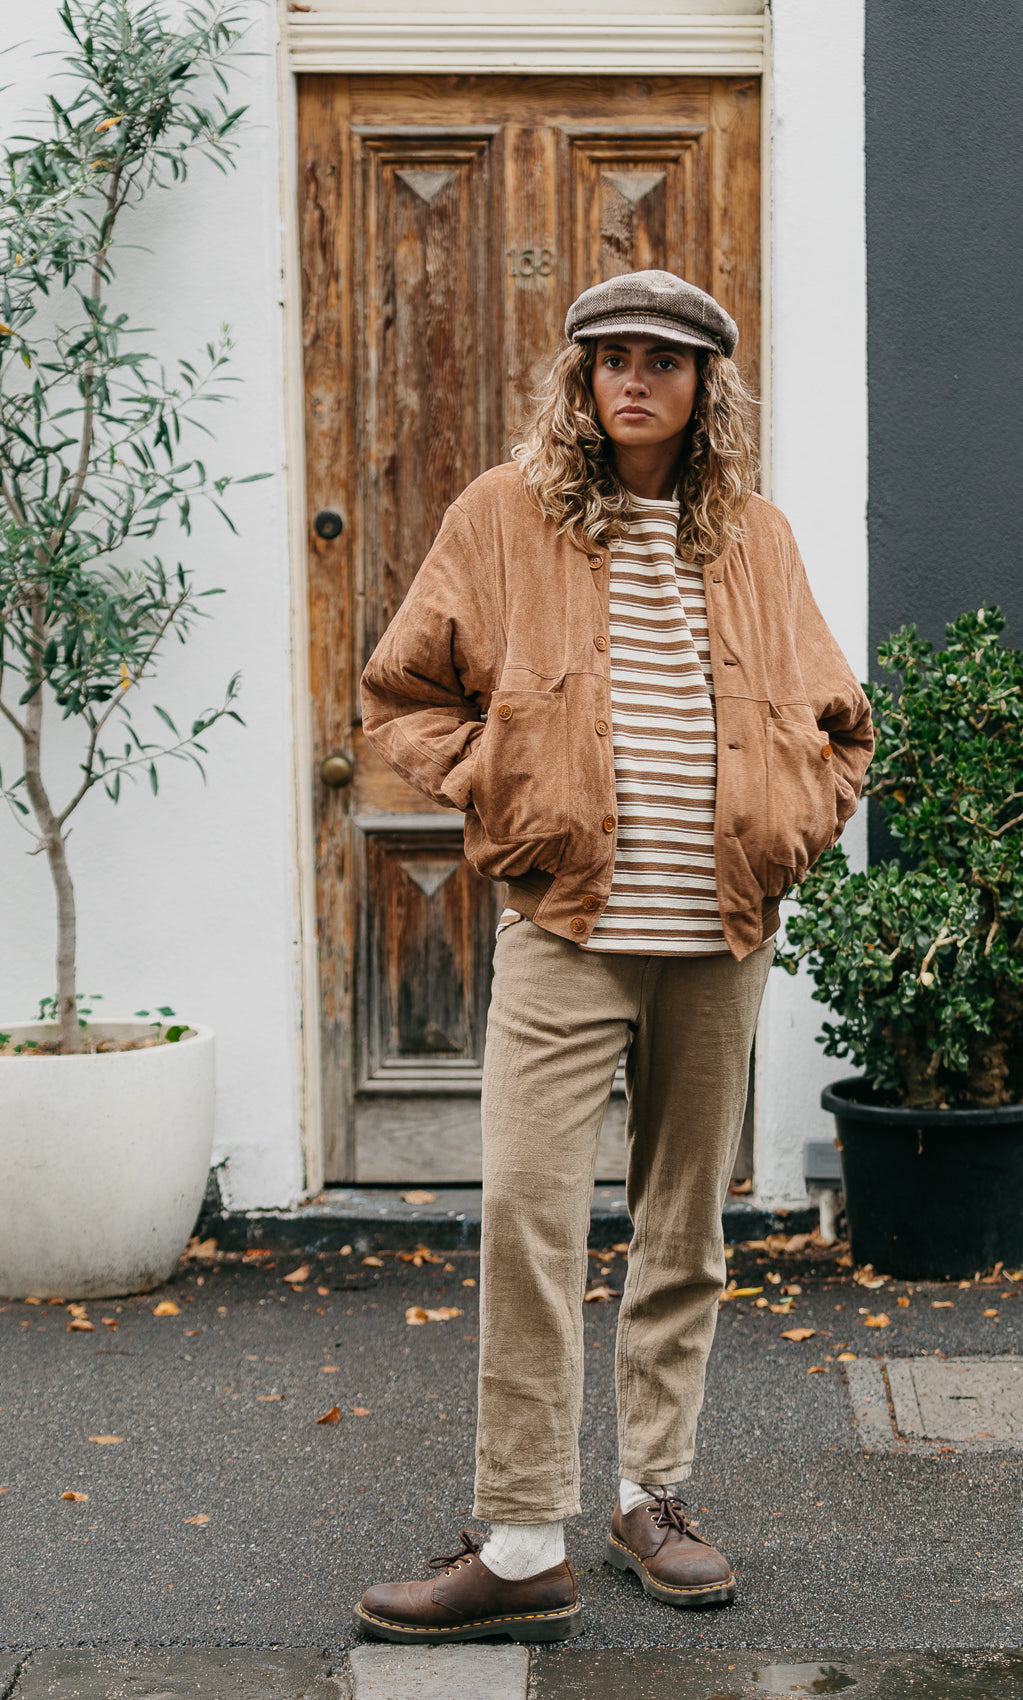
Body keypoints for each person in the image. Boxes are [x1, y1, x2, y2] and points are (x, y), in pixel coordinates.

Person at [353, 270, 873, 1644]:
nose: (636, 379)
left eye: (667, 360)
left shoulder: (755, 538)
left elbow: (840, 720)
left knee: (684, 1227)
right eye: (612, 358)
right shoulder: (502, 515)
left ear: (707, 388)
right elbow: (404, 689)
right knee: (528, 1219)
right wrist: (499, 789)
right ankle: (524, 1538)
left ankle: (655, 1494)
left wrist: (792, 824)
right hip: (567, 929)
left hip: (717, 938)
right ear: (579, 380)